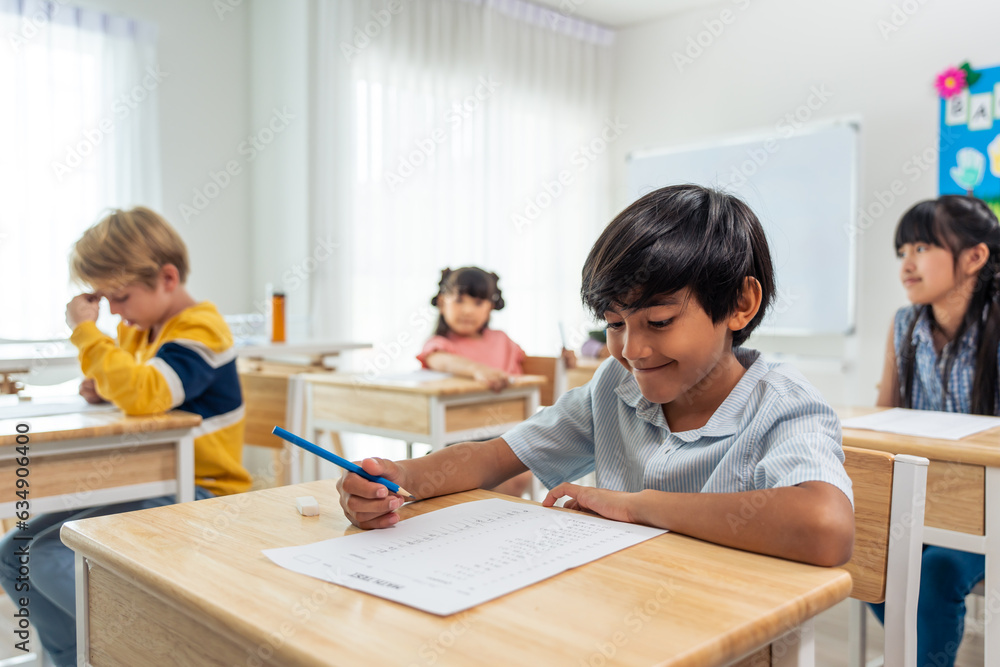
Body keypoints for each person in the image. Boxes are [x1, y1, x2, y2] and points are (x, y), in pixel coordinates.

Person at [338, 184, 855, 568]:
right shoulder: (616, 387)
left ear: (740, 304)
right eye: (613, 324)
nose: (632, 349)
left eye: (658, 322)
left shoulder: (782, 403)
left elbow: (825, 527)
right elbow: (494, 456)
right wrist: (400, 479)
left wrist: (639, 507)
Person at [0, 206, 251, 666]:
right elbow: (133, 387)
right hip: (141, 479)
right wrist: (103, 385)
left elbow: (147, 391)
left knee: (49, 554)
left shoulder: (202, 329)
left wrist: (87, 334)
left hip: (200, 490)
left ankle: (147, 647)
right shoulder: (142, 330)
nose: (114, 311)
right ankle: (76, 658)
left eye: (121, 297)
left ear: (168, 278)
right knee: (13, 550)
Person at [874, 195, 997, 667]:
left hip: (992, 505)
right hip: (927, 501)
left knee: (937, 570)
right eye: (903, 251)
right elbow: (884, 417)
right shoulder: (905, 324)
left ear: (974, 257)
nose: (907, 264)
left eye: (922, 248)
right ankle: (922, 653)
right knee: (866, 549)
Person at [418, 267, 525, 392]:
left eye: (478, 303)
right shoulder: (438, 345)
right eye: (459, 300)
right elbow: (442, 362)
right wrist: (477, 370)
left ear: (490, 308)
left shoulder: (503, 341)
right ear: (442, 303)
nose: (467, 311)